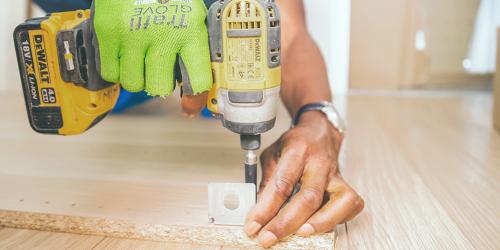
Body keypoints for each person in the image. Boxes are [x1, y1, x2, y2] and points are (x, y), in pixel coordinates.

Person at [34, 0, 364, 247]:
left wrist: (317, 116)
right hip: (105, 58)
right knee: (111, 92)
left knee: (215, 96)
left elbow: (286, 33)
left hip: (207, 63)